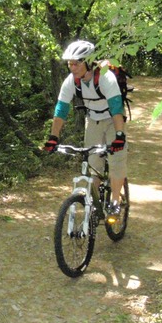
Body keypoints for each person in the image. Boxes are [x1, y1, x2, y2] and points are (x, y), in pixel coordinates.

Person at [43, 40, 128, 214]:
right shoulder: (71, 81)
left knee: (116, 161)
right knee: (92, 164)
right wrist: (53, 138)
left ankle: (115, 202)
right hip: (93, 120)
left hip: (112, 120)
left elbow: (117, 108)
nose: (72, 68)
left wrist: (119, 135)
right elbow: (61, 110)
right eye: (70, 64)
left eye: (76, 63)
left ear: (88, 62)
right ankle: (94, 205)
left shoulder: (105, 77)